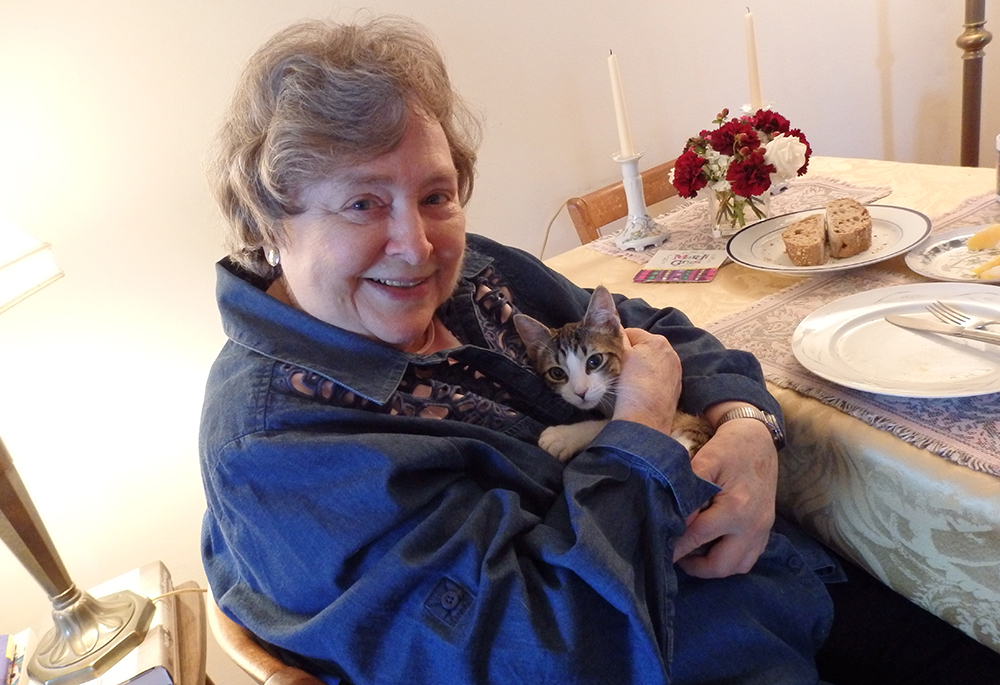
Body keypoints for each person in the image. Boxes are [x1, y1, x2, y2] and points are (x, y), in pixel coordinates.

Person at [199, 16, 1000, 685]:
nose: (416, 244)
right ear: (271, 222)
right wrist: (641, 421)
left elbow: (653, 324)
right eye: (362, 203)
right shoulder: (279, 448)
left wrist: (747, 421)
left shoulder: (471, 274)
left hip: (782, 583)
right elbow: (552, 651)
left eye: (435, 194)